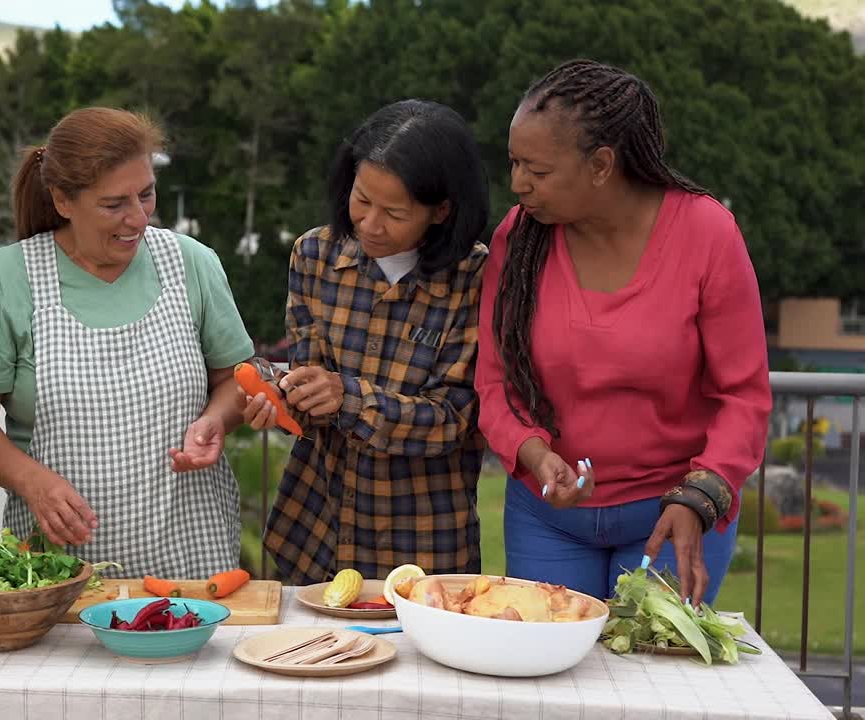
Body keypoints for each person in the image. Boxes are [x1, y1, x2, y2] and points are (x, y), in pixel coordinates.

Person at [475, 59, 771, 607]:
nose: (518, 185)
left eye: (537, 171)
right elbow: (495, 384)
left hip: (671, 518)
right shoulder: (518, 239)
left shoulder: (707, 233)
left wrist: (701, 495)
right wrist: (535, 455)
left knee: (649, 677)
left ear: (601, 165)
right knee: (551, 678)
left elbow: (744, 397)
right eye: (514, 163)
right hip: (547, 519)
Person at [0, 107, 255, 579]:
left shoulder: (191, 263)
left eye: (146, 194)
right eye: (113, 205)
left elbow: (236, 379)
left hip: (193, 563)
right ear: (63, 200)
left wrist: (215, 418)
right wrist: (33, 482)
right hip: (59, 571)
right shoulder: (7, 280)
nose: (137, 218)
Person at [241, 99, 491, 584]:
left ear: (441, 210)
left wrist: (347, 396)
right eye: (361, 200)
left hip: (422, 542)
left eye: (394, 212)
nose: (370, 224)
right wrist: (280, 399)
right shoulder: (314, 255)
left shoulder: (475, 278)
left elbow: (455, 420)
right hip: (315, 528)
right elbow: (309, 384)